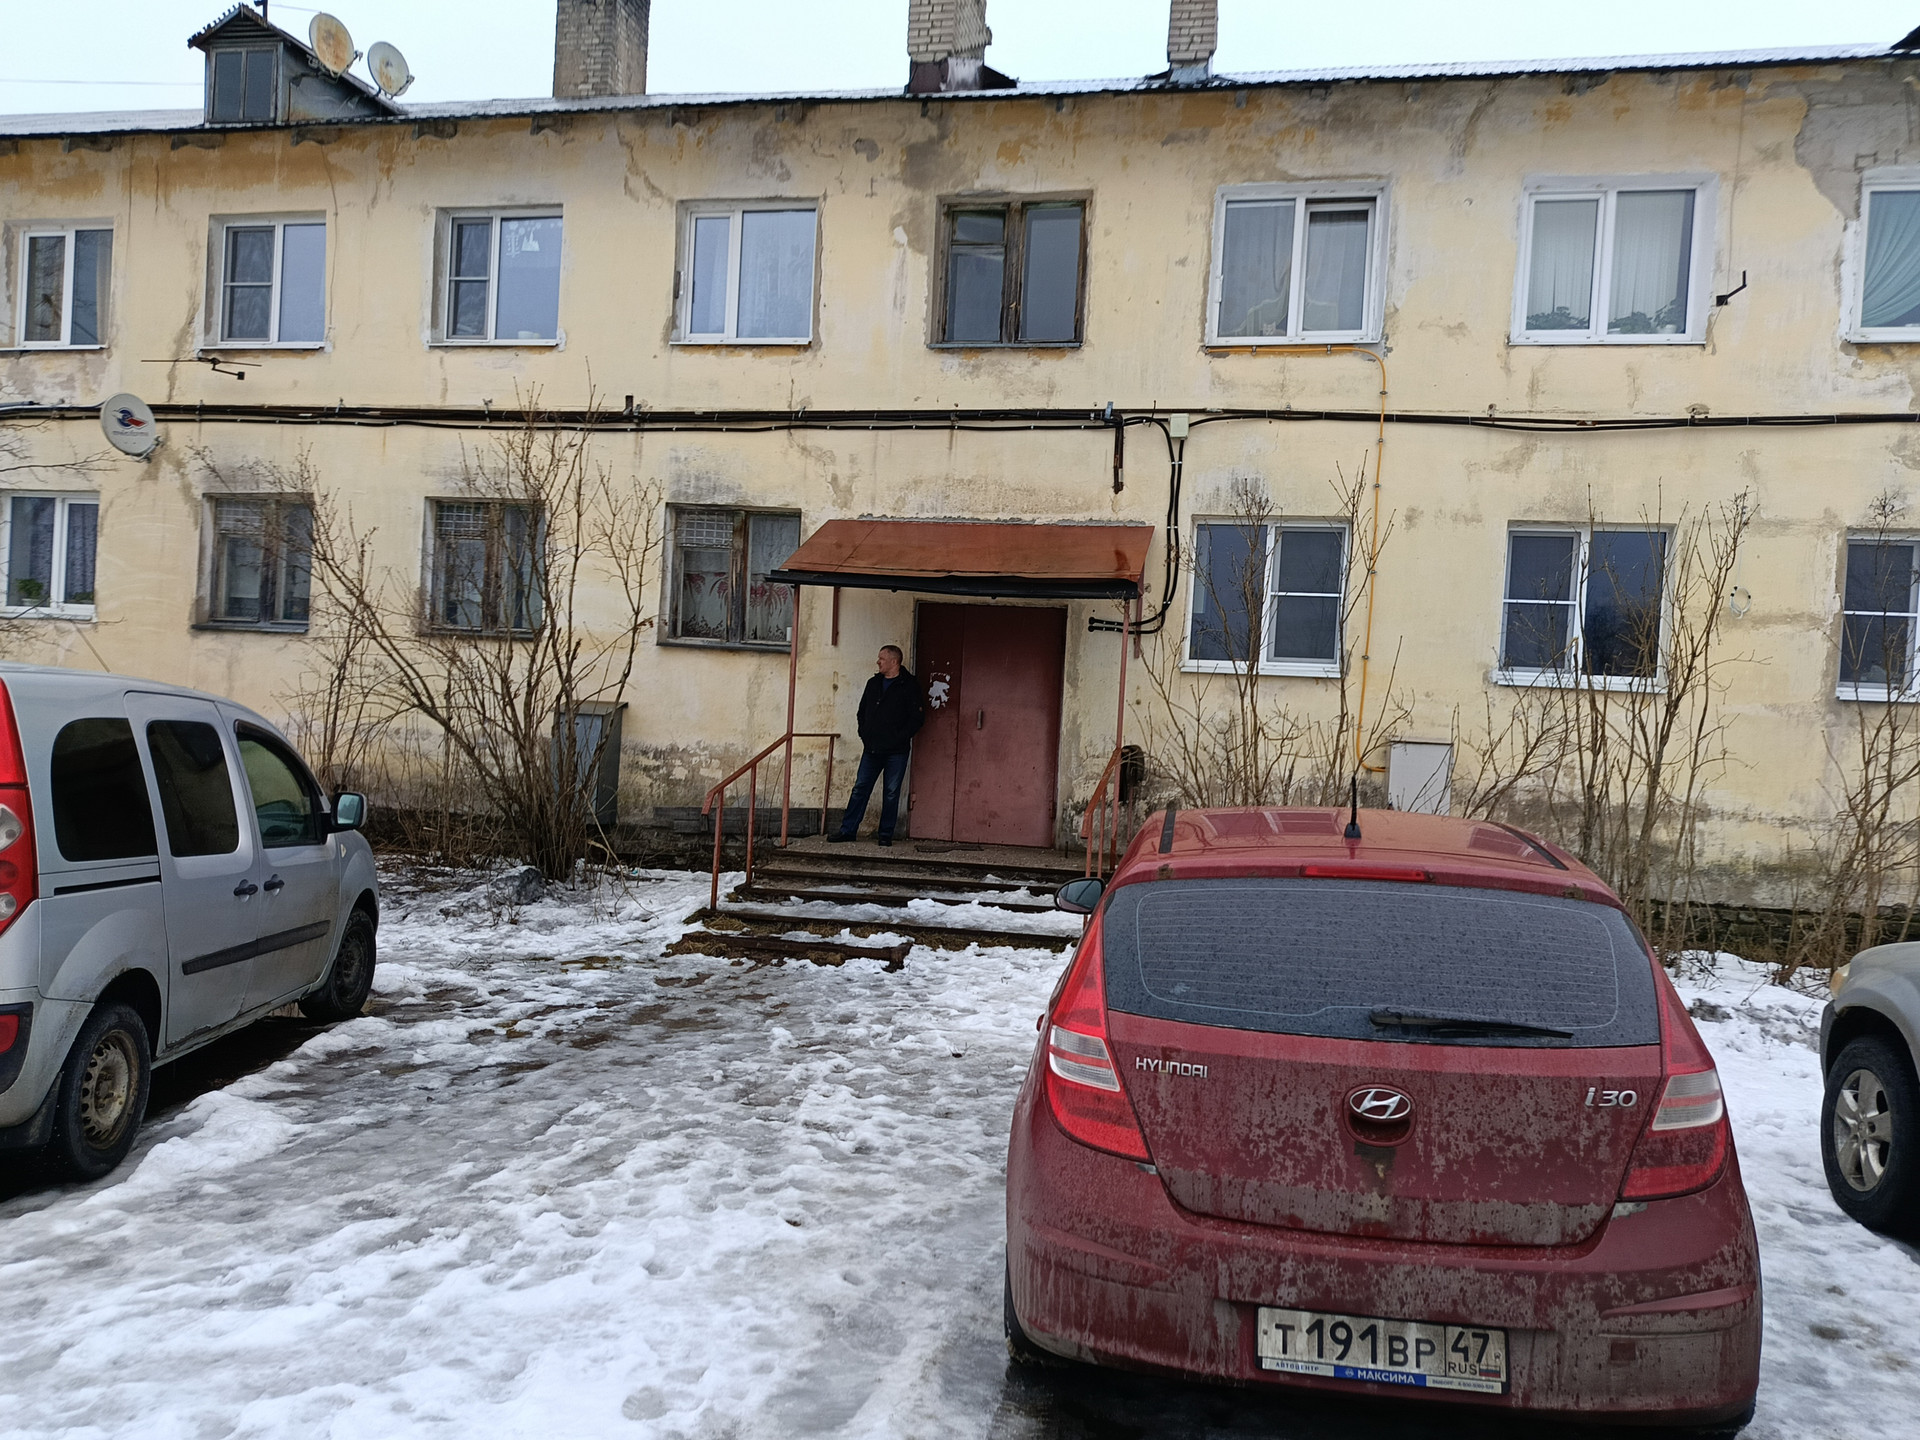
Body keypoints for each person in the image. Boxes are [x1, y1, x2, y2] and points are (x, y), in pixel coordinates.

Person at [829, 644, 924, 847]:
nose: (878, 662)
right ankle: (848, 830)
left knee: (891, 792)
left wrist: (899, 737)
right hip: (871, 749)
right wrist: (864, 734)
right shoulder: (873, 683)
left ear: (894, 662)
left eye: (882, 658)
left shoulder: (909, 685)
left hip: (896, 751)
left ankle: (885, 835)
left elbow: (916, 719)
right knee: (860, 788)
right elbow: (862, 712)